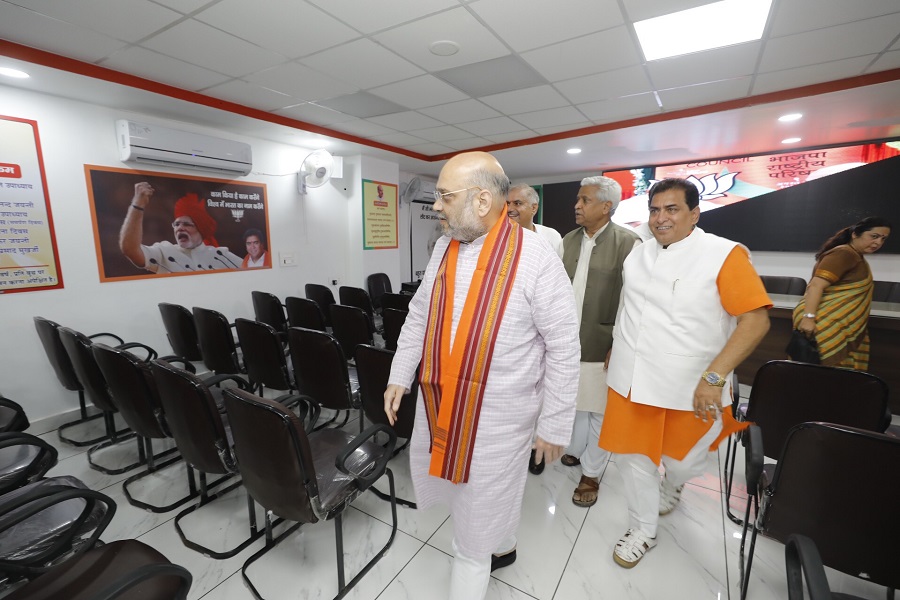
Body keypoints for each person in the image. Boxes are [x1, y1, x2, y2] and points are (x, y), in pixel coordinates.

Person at [384, 151, 580, 600]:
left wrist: (552, 424)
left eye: (445, 197)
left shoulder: (537, 258)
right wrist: (400, 375)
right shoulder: (443, 250)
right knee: (476, 498)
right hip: (441, 404)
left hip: (500, 419)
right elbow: (419, 316)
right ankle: (504, 544)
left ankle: (482, 555)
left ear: (482, 201)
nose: (436, 206)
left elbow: (564, 346)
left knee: (471, 535)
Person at [599, 177, 771, 568]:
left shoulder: (725, 255)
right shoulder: (637, 254)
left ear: (695, 213)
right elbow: (632, 308)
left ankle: (674, 483)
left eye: (672, 209)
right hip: (631, 382)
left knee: (682, 461)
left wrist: (714, 378)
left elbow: (755, 322)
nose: (661, 218)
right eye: (655, 210)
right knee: (633, 461)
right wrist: (617, 345)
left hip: (692, 386)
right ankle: (642, 529)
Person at [556, 176, 640, 503]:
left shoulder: (629, 243)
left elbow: (634, 302)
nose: (577, 205)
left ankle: (591, 473)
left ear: (606, 206)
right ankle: (575, 450)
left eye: (585, 200)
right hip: (565, 342)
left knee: (599, 411)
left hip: (602, 342)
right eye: (577, 199)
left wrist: (619, 342)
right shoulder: (568, 240)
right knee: (575, 403)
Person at [792, 217, 891, 369]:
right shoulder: (845, 253)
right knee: (820, 374)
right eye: (874, 236)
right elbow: (816, 285)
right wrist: (809, 318)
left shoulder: (856, 256)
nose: (878, 243)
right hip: (821, 322)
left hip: (832, 322)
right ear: (855, 234)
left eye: (883, 239)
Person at [119, 182, 242, 273]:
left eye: (187, 224)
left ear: (201, 229)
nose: (180, 228)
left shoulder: (220, 255)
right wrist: (137, 205)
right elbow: (130, 249)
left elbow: (251, 271)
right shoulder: (164, 251)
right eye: (176, 224)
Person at [506, 184, 563, 257]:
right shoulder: (498, 238)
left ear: (533, 208)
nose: (509, 209)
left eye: (517, 203)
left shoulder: (550, 236)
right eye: (508, 204)